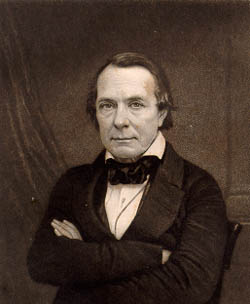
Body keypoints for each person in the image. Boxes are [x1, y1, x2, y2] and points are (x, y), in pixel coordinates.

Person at [27, 52, 228, 304]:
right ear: (95, 113)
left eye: (136, 104)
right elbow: (42, 262)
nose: (120, 121)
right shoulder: (74, 182)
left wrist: (84, 260)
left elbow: (188, 285)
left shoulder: (199, 187)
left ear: (162, 113)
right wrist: (151, 256)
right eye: (107, 105)